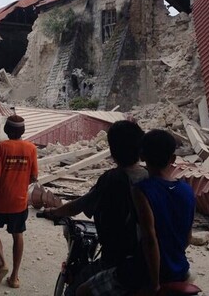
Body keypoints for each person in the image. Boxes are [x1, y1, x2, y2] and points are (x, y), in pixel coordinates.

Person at [78, 129, 196, 296]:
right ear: (173, 159)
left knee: (83, 291)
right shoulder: (187, 190)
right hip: (180, 268)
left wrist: (154, 283)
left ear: (142, 156)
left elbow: (149, 238)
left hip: (145, 271)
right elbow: (187, 238)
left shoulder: (142, 190)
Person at [43, 120, 147, 295]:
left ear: (113, 151)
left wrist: (53, 212)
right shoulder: (150, 176)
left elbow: (78, 206)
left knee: (75, 291)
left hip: (118, 261)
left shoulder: (112, 179)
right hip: (149, 260)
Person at [0, 114, 38, 289]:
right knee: (18, 236)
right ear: (22, 131)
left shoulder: (2, 147)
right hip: (19, 202)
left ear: (6, 130)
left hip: (1, 201)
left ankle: (2, 263)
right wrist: (20, 182)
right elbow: (34, 176)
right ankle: (15, 277)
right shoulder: (31, 148)